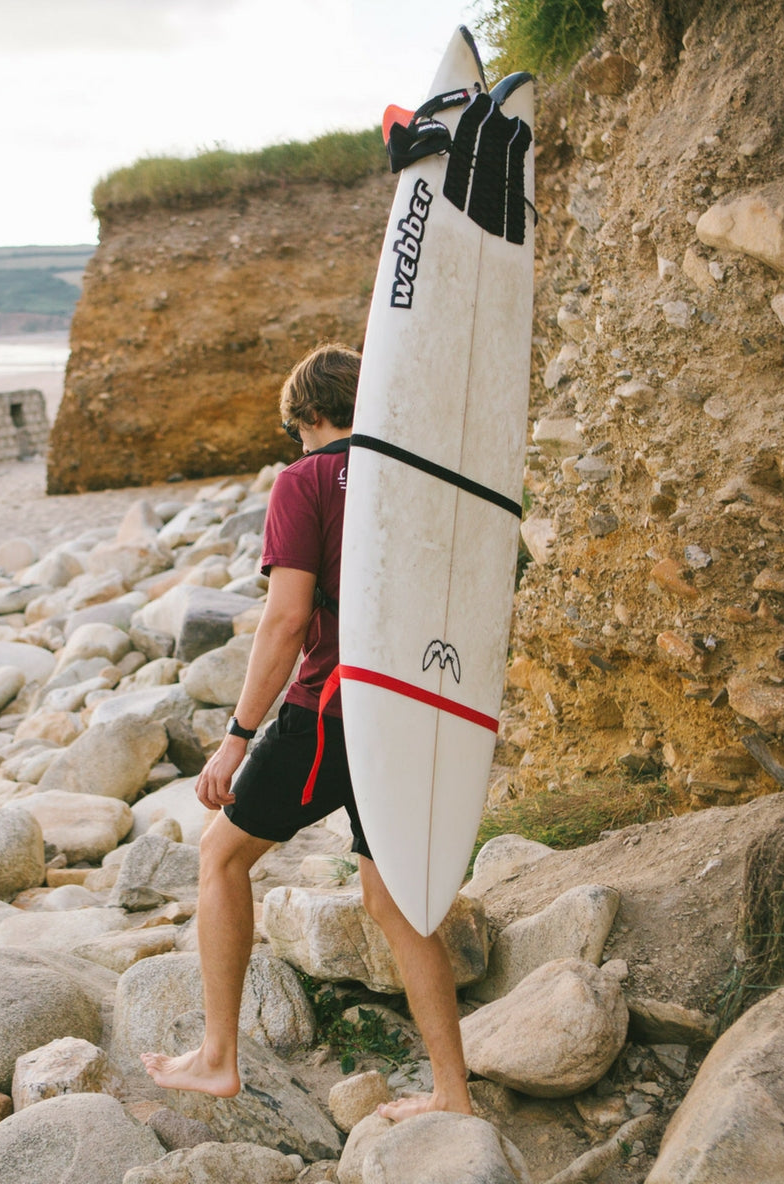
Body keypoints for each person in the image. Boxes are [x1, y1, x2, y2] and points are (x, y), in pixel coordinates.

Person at [140, 343, 472, 1121]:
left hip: (333, 707)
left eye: (296, 432)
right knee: (395, 903)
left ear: (310, 417)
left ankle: (218, 1057)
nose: (297, 445)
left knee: (221, 854)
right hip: (416, 705)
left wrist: (235, 736)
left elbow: (287, 619)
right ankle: (453, 1096)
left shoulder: (307, 479)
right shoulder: (418, 476)